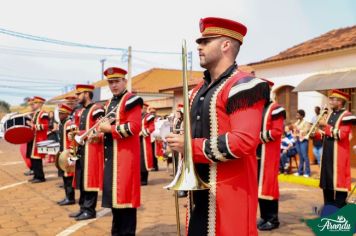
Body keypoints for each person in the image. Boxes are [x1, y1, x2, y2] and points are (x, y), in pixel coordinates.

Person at [167, 17, 270, 236]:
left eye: (205, 41)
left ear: (225, 45)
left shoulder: (245, 85)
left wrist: (190, 146)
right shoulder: (196, 91)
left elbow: (243, 142)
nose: (199, 46)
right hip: (200, 195)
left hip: (230, 196)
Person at [98, 67, 143, 236]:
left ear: (124, 81)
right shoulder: (110, 103)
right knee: (116, 202)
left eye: (117, 81)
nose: (114, 85)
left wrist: (109, 129)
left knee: (126, 201)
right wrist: (100, 135)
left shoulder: (132, 99)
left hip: (125, 158)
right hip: (112, 158)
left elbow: (134, 127)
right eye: (110, 82)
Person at [69, 84, 105, 221]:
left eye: (79, 94)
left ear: (87, 93)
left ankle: (90, 210)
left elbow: (101, 128)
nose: (77, 97)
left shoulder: (97, 109)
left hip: (93, 149)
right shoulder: (82, 111)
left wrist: (81, 133)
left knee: (90, 179)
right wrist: (74, 135)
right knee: (82, 179)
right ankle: (82, 208)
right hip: (82, 148)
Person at [317, 90, 356, 208]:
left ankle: (339, 210)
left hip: (339, 154)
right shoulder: (329, 115)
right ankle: (328, 209)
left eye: (333, 99)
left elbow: (341, 135)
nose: (330, 101)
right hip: (327, 153)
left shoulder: (347, 115)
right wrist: (317, 133)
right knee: (327, 182)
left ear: (340, 101)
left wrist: (326, 127)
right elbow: (325, 134)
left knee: (339, 183)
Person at [256, 81, 285, 231]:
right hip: (257, 154)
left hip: (269, 154)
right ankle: (264, 217)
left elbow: (277, 132)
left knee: (269, 186)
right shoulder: (257, 109)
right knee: (259, 188)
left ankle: (273, 220)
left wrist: (257, 137)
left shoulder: (276, 109)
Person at [26, 96, 49, 183]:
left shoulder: (43, 113)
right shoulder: (36, 113)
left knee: (37, 159)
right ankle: (36, 175)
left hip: (39, 139)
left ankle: (40, 177)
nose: (33, 104)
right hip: (34, 138)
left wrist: (33, 126)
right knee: (33, 158)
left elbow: (46, 126)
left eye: (35, 103)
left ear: (40, 104)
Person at [56, 104, 76, 206]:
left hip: (68, 154)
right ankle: (67, 196)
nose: (60, 115)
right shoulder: (62, 124)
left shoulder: (69, 124)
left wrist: (71, 155)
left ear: (67, 114)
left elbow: (73, 140)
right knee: (65, 177)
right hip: (62, 153)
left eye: (62, 113)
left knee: (69, 177)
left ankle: (70, 198)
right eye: (59, 113)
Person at [140, 104, 155, 185]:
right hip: (136, 141)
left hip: (144, 140)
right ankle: (139, 178)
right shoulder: (136, 116)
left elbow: (152, 127)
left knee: (144, 160)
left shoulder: (148, 116)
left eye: (143, 108)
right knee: (138, 160)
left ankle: (144, 179)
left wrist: (142, 133)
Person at [293, 109, 311, 177]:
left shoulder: (306, 123)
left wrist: (298, 129)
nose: (296, 116)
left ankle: (307, 172)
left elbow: (306, 131)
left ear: (302, 116)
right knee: (300, 156)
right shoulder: (297, 122)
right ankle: (300, 171)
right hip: (297, 140)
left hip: (303, 141)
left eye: (298, 115)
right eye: (296, 114)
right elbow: (294, 130)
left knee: (305, 156)